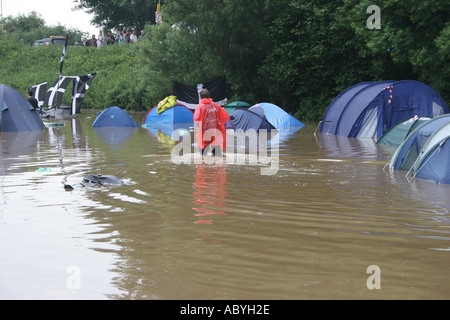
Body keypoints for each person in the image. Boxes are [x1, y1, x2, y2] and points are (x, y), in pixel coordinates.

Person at [193, 89, 230, 157]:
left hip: (204, 133)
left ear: (201, 97)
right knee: (217, 155)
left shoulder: (199, 107)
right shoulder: (216, 106)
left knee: (202, 156)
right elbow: (224, 116)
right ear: (209, 96)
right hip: (215, 133)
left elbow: (196, 120)